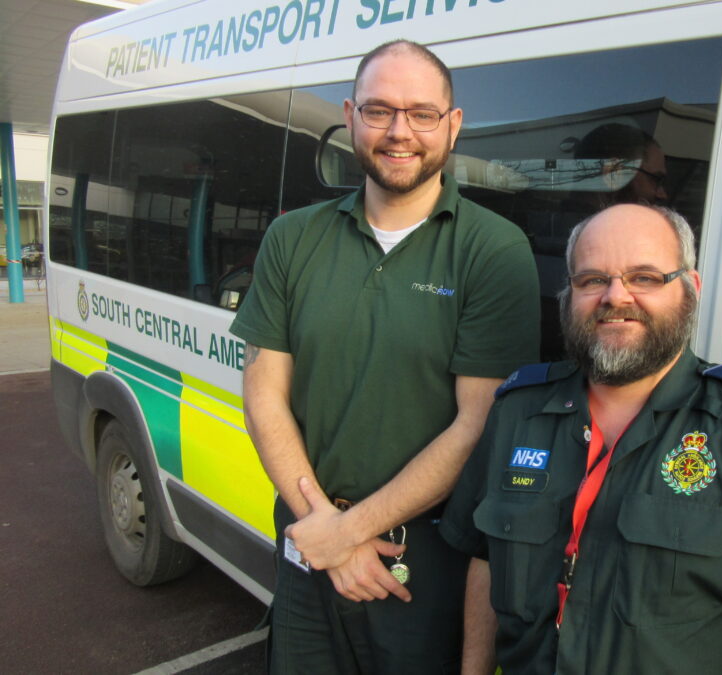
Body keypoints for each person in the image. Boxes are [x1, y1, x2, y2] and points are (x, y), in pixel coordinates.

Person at [439, 203, 722, 674]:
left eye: (645, 278)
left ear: (690, 289)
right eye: (592, 280)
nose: (616, 297)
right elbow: (485, 563)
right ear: (569, 295)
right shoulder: (517, 414)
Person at [230, 39, 540, 674]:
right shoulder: (293, 237)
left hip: (422, 563)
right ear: (349, 117)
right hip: (307, 542)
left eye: (422, 113)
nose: (400, 132)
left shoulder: (493, 249)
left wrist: (349, 532)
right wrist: (327, 531)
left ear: (453, 126)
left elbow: (476, 424)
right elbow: (264, 393)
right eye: (379, 111)